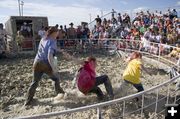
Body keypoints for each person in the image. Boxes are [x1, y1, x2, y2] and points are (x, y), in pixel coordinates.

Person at [25, 27, 69, 106]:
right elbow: (49, 55)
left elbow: (48, 48)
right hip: (45, 63)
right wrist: (53, 67)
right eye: (57, 33)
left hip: (36, 62)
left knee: (34, 82)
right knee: (56, 79)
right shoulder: (53, 41)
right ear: (53, 33)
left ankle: (28, 101)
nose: (58, 34)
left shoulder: (43, 39)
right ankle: (60, 94)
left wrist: (60, 50)